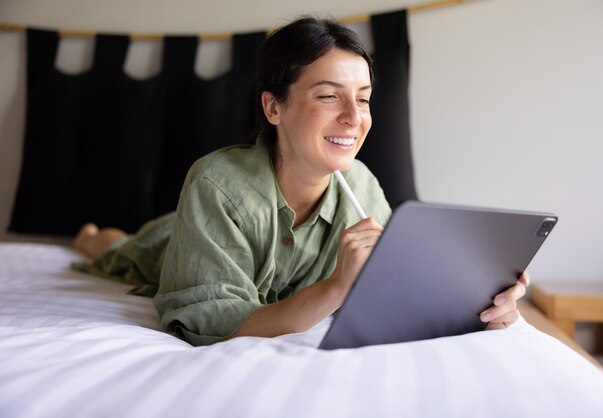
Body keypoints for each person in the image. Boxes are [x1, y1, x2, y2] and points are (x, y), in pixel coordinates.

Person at [73, 16, 529, 346]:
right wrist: (334, 289)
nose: (354, 118)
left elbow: (404, 286)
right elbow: (214, 321)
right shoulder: (215, 184)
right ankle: (92, 236)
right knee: (125, 251)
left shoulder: (363, 187)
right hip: (186, 238)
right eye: (329, 96)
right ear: (274, 108)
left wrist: (484, 301)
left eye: (364, 99)